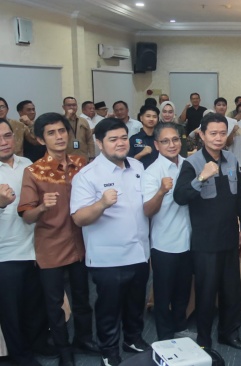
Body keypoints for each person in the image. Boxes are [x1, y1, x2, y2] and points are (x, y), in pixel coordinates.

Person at [17, 113, 97, 366]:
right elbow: (27, 216)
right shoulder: (34, 171)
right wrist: (41, 207)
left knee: (84, 298)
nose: (59, 136)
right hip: (50, 246)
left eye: (62, 131)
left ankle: (83, 338)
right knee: (54, 305)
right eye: (51, 133)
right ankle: (64, 351)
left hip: (82, 243)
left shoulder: (82, 163)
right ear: (41, 139)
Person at [70, 118, 151, 366]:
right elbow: (79, 218)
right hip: (108, 257)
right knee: (108, 309)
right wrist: (102, 203)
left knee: (136, 303)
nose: (120, 143)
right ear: (99, 142)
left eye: (123, 138)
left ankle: (133, 338)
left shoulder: (137, 166)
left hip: (139, 251)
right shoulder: (88, 175)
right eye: (113, 139)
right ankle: (109, 350)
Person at [173, 113, 241, 352]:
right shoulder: (191, 163)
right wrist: (202, 176)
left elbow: (239, 197)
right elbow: (180, 197)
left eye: (222, 133)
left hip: (229, 236)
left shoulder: (231, 159)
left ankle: (229, 333)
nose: (218, 138)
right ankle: (204, 340)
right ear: (202, 135)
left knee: (231, 291)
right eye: (213, 133)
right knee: (206, 294)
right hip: (205, 241)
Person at [0, 118, 52, 366]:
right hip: (5, 253)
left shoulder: (27, 164)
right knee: (11, 310)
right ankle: (20, 356)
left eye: (7, 135)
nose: (3, 142)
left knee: (36, 303)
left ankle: (38, 343)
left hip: (34, 246)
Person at [141, 122, 193, 341]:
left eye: (175, 140)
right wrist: (162, 191)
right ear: (156, 145)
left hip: (190, 240)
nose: (172, 145)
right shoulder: (152, 172)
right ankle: (164, 335)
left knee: (183, 290)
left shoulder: (189, 165)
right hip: (165, 243)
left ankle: (180, 325)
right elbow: (147, 211)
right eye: (165, 141)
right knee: (163, 294)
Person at [62, 97, 95, 161]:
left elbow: (90, 140)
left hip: (83, 157)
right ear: (63, 107)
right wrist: (67, 117)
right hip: (66, 158)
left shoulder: (83, 121)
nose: (72, 107)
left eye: (74, 105)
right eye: (69, 105)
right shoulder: (60, 121)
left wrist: (92, 156)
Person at [128, 105, 159, 169]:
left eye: (154, 117)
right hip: (139, 175)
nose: (151, 119)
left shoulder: (160, 139)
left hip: (158, 175)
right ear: (141, 118)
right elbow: (126, 162)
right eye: (148, 116)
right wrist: (141, 154)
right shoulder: (133, 139)